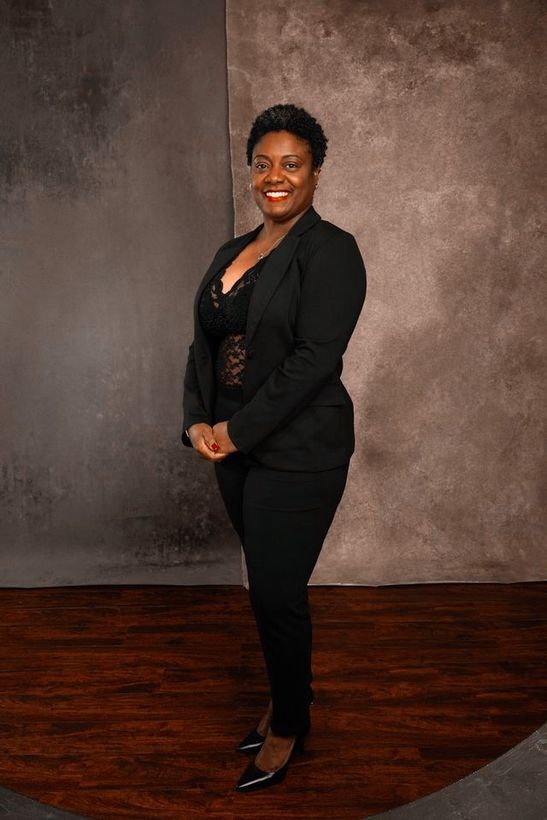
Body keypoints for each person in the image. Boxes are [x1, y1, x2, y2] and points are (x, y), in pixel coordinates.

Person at [181, 103, 367, 792]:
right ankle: (289, 698)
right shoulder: (231, 252)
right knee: (266, 592)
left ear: (315, 171)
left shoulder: (331, 251)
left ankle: (290, 719)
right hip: (231, 448)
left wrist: (237, 429)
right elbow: (203, 347)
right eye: (262, 163)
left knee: (276, 595)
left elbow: (313, 360)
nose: (274, 177)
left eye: (291, 164)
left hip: (299, 448)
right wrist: (197, 422)